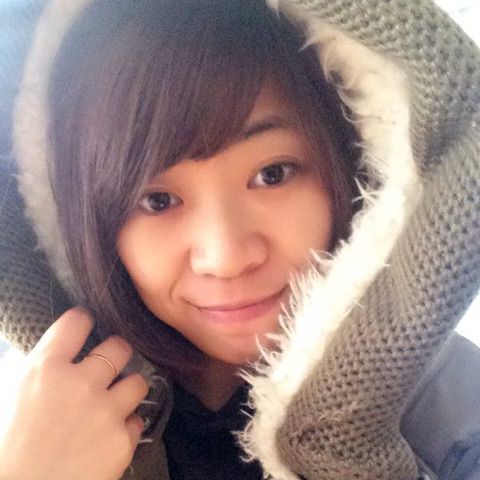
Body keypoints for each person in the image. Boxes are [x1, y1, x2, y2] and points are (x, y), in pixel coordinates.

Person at [0, 0, 479, 479]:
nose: (225, 258)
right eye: (158, 201)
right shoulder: (36, 418)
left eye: (273, 174)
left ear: (360, 167)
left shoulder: (454, 416)